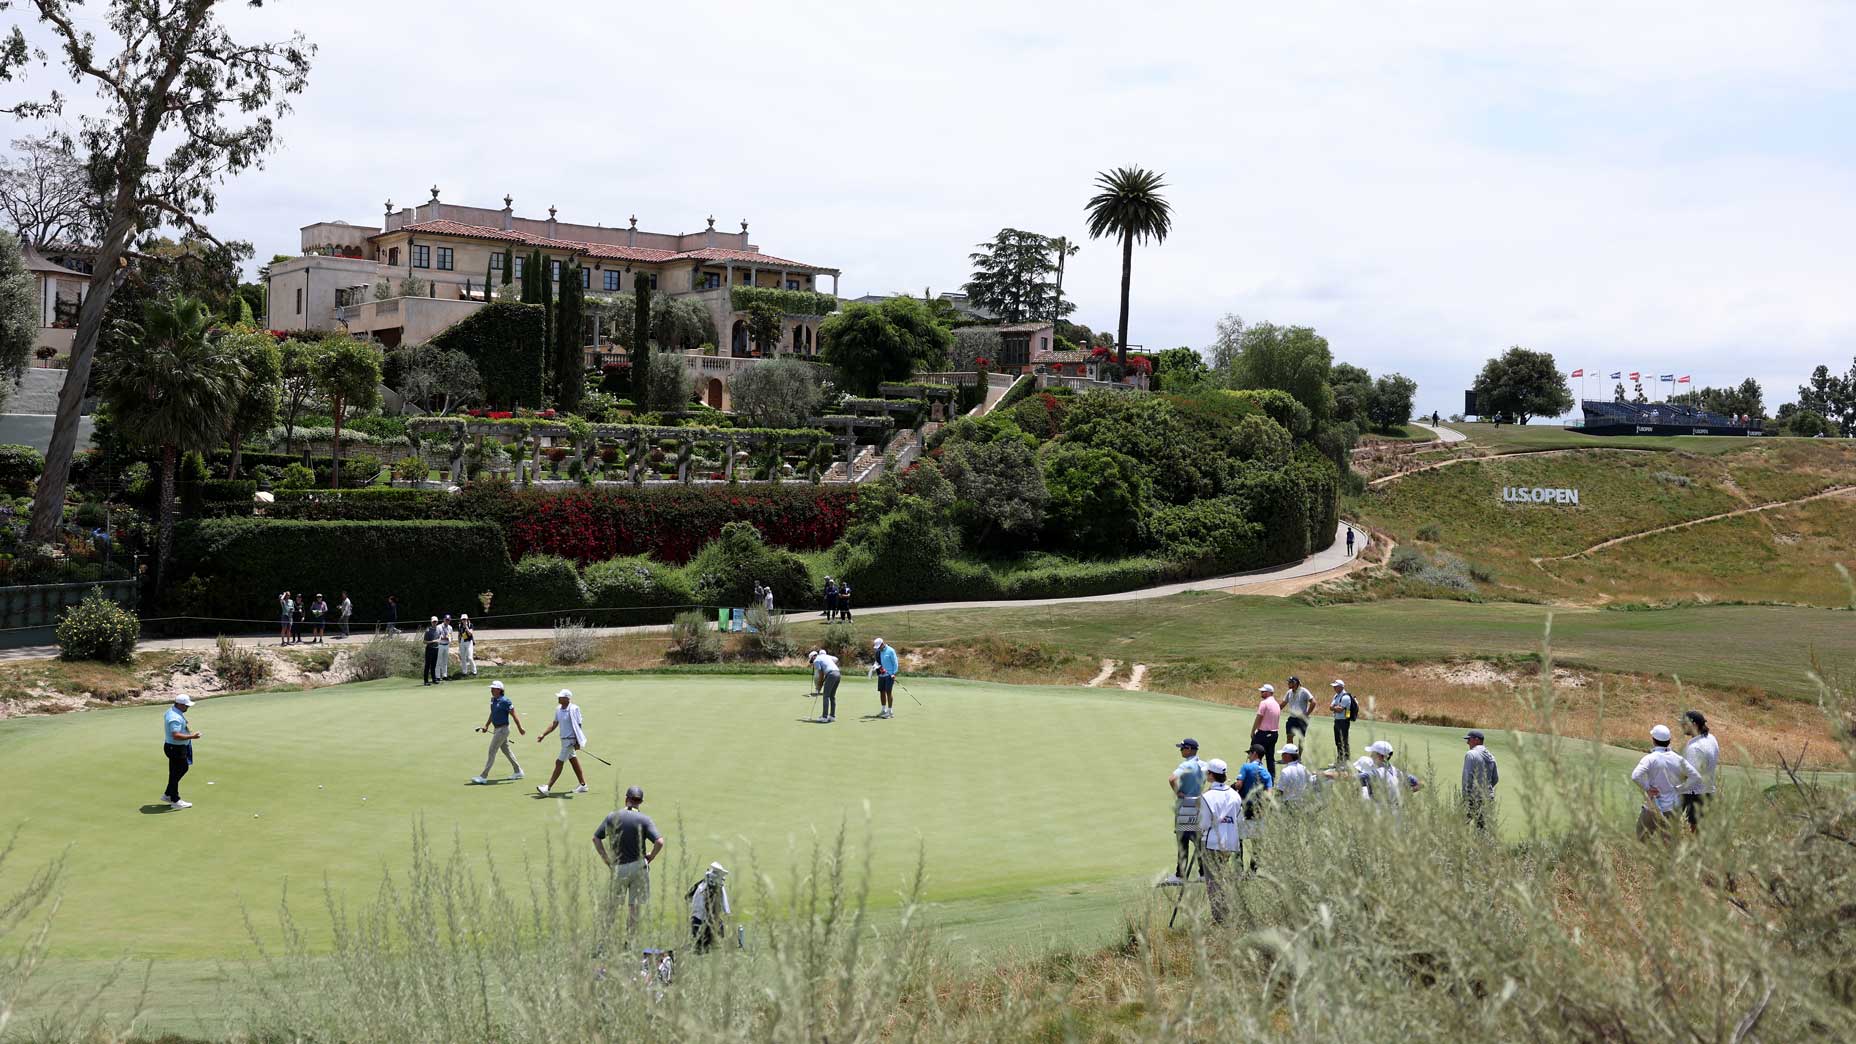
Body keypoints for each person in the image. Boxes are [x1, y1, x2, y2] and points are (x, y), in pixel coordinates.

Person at [595, 785, 665, 933]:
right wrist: (651, 857)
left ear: (626, 799)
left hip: (619, 867)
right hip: (639, 867)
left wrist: (607, 860)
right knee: (634, 907)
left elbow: (596, 838)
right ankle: (631, 941)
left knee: (613, 906)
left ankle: (605, 940)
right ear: (640, 802)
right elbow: (659, 842)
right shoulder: (645, 819)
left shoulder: (612, 817)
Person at [1194, 758, 1243, 924]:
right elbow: (1239, 818)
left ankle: (1221, 919)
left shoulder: (1207, 796)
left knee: (1213, 882)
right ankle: (1228, 912)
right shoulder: (1234, 795)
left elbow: (1203, 824)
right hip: (1230, 843)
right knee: (1222, 877)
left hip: (1212, 843)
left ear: (1211, 775)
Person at [1631, 724, 1695, 840]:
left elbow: (1635, 776)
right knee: (1667, 846)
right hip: (1672, 810)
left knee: (1641, 841)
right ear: (1669, 741)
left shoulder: (1651, 758)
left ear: (1654, 741)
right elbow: (1696, 777)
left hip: (1652, 807)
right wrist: (1680, 788)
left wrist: (1647, 788)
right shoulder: (1678, 759)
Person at [1164, 738, 1206, 884]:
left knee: (1182, 841)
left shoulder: (1187, 764)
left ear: (1188, 749)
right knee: (1198, 840)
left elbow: (1172, 779)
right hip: (1199, 804)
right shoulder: (1204, 764)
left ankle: (1181, 876)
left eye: (1182, 748)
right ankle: (1203, 873)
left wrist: (1178, 792)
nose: (1181, 750)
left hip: (1186, 805)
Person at [535, 689, 590, 795]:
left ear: (567, 698)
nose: (558, 698)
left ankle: (547, 788)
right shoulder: (558, 709)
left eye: (560, 697)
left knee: (559, 762)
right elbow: (554, 724)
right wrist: (543, 734)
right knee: (573, 760)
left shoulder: (574, 709)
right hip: (564, 740)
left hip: (570, 741)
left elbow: (578, 725)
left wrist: (578, 741)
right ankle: (583, 785)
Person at [471, 680, 524, 784]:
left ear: (500, 690)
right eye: (491, 688)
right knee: (506, 751)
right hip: (497, 729)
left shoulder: (505, 701)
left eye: (494, 688)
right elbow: (493, 713)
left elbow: (514, 715)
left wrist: (520, 728)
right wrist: (486, 725)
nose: (491, 690)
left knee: (492, 751)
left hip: (503, 730)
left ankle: (483, 776)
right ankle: (518, 771)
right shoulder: (493, 700)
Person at [1235, 744, 1273, 872]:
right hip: (1259, 812)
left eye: (1249, 753)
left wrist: (1233, 786)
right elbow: (1269, 794)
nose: (1248, 756)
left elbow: (1239, 785)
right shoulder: (1266, 773)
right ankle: (1252, 871)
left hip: (1244, 810)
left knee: (1237, 839)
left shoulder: (1246, 767)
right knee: (1257, 843)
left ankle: (1239, 868)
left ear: (1255, 754)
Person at [1679, 710, 1719, 831]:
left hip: (1694, 795)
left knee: (1692, 832)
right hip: (1708, 791)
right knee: (1700, 832)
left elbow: (1692, 776)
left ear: (1694, 725)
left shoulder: (1694, 748)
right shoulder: (1712, 738)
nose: (1682, 726)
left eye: (1684, 724)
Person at [161, 694, 201, 809]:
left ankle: (168, 794)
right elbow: (176, 735)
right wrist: (192, 737)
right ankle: (175, 800)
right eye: (186, 706)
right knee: (180, 770)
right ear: (179, 704)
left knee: (175, 772)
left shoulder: (172, 711)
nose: (188, 707)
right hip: (176, 748)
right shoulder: (174, 717)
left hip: (174, 747)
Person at [1357, 740, 1422, 810]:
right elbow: (1420, 784)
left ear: (1380, 756)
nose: (1371, 756)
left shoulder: (1376, 773)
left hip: (1379, 813)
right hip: (1397, 813)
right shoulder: (1398, 772)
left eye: (1373, 753)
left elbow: (1351, 779)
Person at [687, 862, 731, 954]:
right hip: (699, 922)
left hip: (699, 921)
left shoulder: (704, 884)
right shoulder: (705, 887)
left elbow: (688, 897)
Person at [1461, 729, 1499, 831]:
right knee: (1482, 829)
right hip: (1488, 798)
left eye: (1469, 739)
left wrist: (1465, 797)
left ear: (1477, 740)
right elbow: (1495, 778)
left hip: (1473, 798)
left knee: (1461, 827)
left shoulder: (1471, 754)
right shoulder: (1491, 756)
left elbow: (1467, 778)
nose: (1467, 742)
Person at [1250, 684, 1281, 779]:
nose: (1261, 693)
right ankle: (1271, 779)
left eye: (1263, 692)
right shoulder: (1276, 704)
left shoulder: (1264, 703)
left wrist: (1253, 731)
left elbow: (1259, 717)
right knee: (1270, 757)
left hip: (1263, 734)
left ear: (1269, 693)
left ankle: (1251, 777)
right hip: (1274, 734)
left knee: (1254, 754)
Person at [1281, 676, 1313, 753]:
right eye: (1288, 682)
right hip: (1292, 718)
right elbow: (1282, 704)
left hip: (1302, 719)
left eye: (1290, 682)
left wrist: (1307, 714)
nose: (1288, 684)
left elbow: (1313, 702)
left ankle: (1299, 758)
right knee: (1289, 737)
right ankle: (1290, 755)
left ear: (1295, 683)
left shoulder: (1304, 691)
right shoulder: (1289, 692)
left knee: (1301, 738)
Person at [809, 648, 842, 723]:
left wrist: (819, 685)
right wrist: (823, 681)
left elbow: (821, 674)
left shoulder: (816, 660)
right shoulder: (826, 656)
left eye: (812, 660)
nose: (812, 662)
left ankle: (824, 717)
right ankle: (832, 716)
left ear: (813, 657)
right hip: (838, 674)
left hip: (831, 674)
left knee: (826, 696)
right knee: (832, 696)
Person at [869, 638, 900, 719]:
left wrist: (894, 673)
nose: (878, 648)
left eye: (879, 646)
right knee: (881, 692)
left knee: (888, 692)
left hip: (889, 675)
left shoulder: (890, 650)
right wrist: (873, 668)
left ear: (883, 644)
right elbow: (877, 662)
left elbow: (895, 662)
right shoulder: (878, 652)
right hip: (881, 675)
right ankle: (884, 710)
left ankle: (890, 712)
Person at [1329, 681, 1355, 762]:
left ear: (1341, 687)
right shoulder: (1336, 696)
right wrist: (1335, 707)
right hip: (1337, 721)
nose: (1334, 688)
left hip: (1344, 722)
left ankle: (1346, 761)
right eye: (1334, 686)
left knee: (1344, 741)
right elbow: (1330, 707)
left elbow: (1340, 710)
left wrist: (1335, 707)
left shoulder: (1345, 697)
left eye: (1336, 686)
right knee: (1338, 741)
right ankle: (1340, 760)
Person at [422, 616, 441, 686]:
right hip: (429, 649)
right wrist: (433, 641)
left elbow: (440, 636)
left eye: (435, 621)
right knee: (427, 665)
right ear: (431, 622)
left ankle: (434, 679)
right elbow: (424, 641)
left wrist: (439, 640)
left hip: (436, 648)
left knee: (434, 665)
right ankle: (426, 681)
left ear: (437, 622)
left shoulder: (438, 629)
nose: (434, 623)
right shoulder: (428, 630)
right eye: (433, 621)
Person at [436, 614, 453, 682]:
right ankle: (437, 676)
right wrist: (445, 638)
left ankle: (444, 675)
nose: (447, 621)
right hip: (440, 645)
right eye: (446, 620)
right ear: (444, 620)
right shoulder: (439, 627)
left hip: (447, 645)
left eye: (448, 620)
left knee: (445, 661)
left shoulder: (450, 627)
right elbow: (438, 636)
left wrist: (448, 638)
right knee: (438, 661)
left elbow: (450, 636)